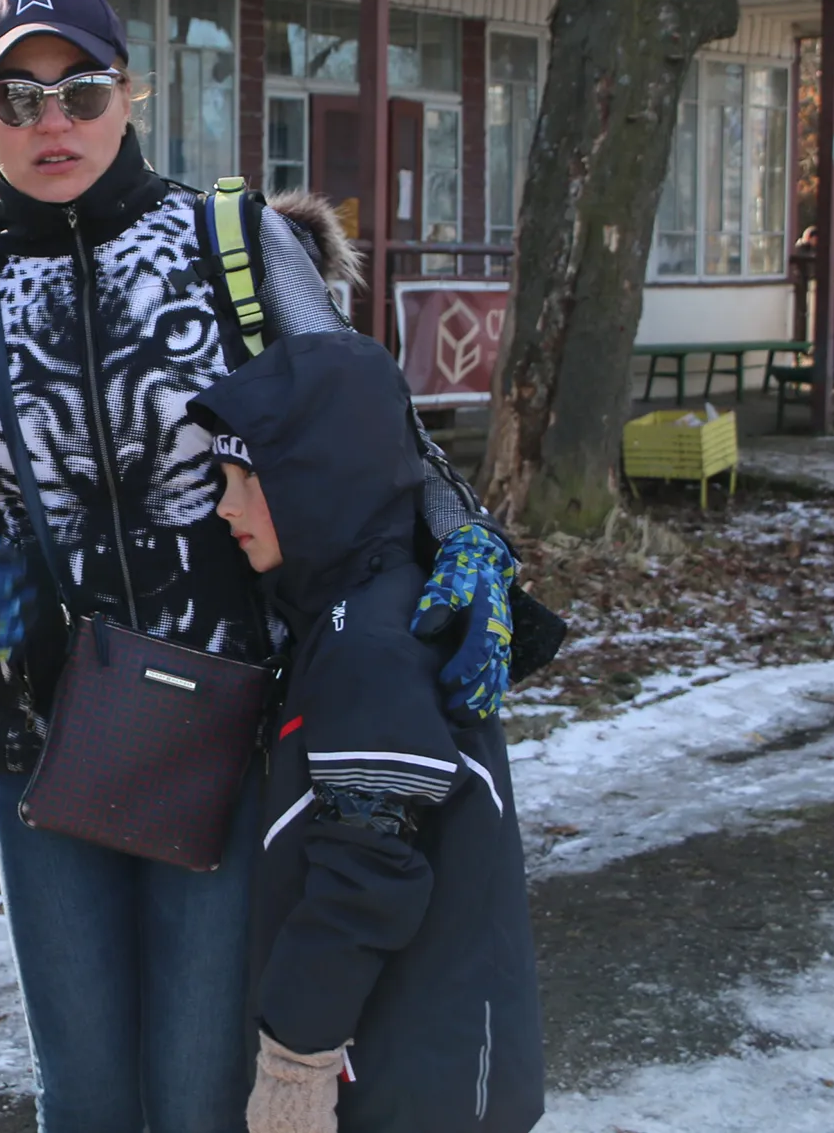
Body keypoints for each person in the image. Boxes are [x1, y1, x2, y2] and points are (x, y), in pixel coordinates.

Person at [0, 0, 517, 1132]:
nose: (53, 124)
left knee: (201, 1092)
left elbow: (368, 437)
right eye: (17, 96)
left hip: (235, 731)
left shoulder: (231, 247)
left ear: (128, 94)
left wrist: (463, 540)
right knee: (87, 1099)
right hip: (43, 742)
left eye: (80, 91)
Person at [192, 336, 542, 1133]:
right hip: (405, 1057)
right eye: (222, 479)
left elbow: (367, 879)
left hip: (418, 1081)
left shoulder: (372, 643)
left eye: (248, 479)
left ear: (323, 482)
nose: (226, 505)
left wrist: (294, 1064)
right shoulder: (344, 610)